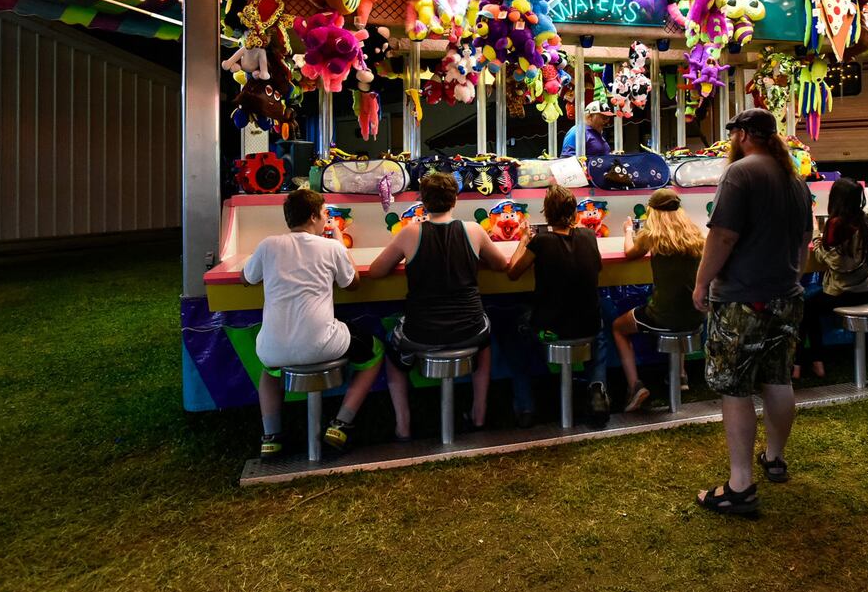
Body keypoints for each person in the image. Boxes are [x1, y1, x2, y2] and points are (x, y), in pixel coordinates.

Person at [691, 108, 814, 516]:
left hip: (744, 298)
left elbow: (723, 235)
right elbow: (804, 244)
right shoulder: (794, 180)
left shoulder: (740, 173)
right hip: (786, 296)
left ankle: (740, 485)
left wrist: (701, 281)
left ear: (743, 135)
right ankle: (774, 458)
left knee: (736, 386)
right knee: (778, 379)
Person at [243, 187, 384, 461]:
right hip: (324, 344)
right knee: (375, 351)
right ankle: (342, 423)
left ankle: (271, 437)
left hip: (273, 349)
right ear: (312, 217)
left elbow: (246, 278)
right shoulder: (331, 247)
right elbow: (352, 284)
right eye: (323, 214)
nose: (325, 219)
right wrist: (341, 244)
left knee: (269, 371)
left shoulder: (268, 245)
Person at [365, 171, 508, 438]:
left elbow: (376, 271)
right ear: (454, 200)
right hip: (470, 330)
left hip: (421, 331)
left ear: (423, 202)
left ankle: (403, 425)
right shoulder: (474, 231)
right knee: (485, 342)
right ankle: (479, 413)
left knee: (393, 355)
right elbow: (501, 264)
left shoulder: (410, 233)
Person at [503, 184, 610, 426]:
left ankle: (525, 405)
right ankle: (597, 388)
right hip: (587, 329)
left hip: (548, 332)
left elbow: (512, 273)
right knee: (599, 332)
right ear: (574, 212)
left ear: (547, 213)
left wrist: (523, 241)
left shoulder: (540, 242)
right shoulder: (589, 236)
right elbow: (599, 267)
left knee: (513, 328)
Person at [613, 188, 705, 412]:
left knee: (618, 327)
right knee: (679, 301)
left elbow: (629, 253)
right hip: (696, 314)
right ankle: (681, 375)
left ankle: (635, 386)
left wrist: (627, 231)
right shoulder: (695, 234)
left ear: (652, 211)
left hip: (663, 316)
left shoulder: (651, 236)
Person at [797, 177, 868, 378]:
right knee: (810, 308)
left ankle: (803, 363)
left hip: (841, 293)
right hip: (863, 293)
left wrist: (816, 236)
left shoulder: (838, 225)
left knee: (805, 307)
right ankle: (813, 363)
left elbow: (832, 261)